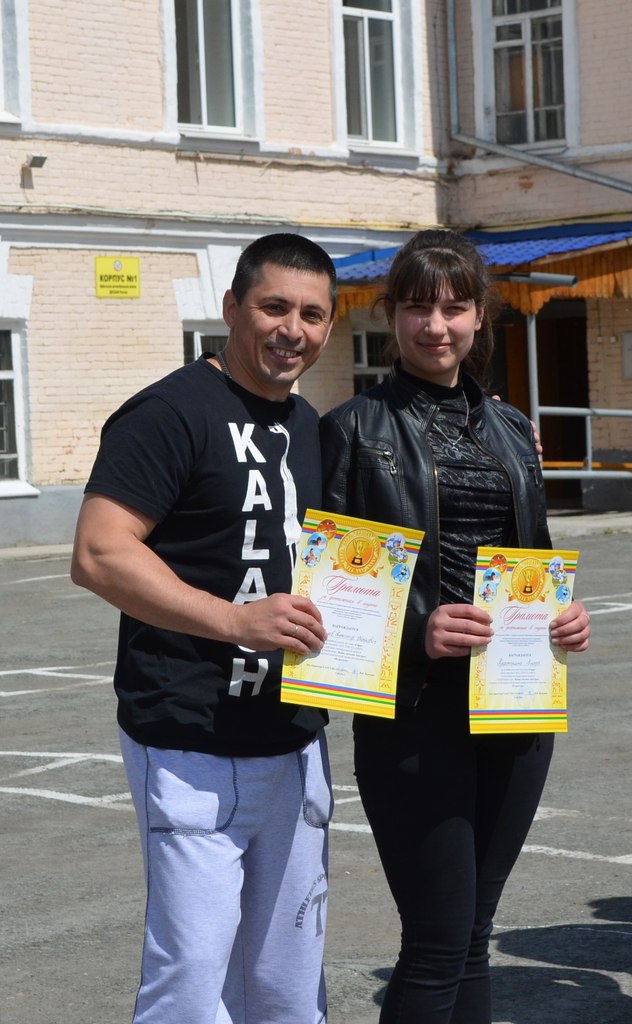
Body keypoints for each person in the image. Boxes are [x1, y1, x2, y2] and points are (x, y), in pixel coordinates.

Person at [319, 229, 591, 1024]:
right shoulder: (352, 429)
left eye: (453, 308)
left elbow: (532, 557)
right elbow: (330, 589)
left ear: (479, 316)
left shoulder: (510, 429)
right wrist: (418, 632)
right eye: (417, 308)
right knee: (437, 941)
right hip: (417, 713)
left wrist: (565, 617)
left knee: (473, 937)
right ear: (390, 316)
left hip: (514, 705)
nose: (435, 326)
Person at [71, 233, 337, 1024]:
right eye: (274, 307)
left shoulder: (309, 425)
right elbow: (99, 553)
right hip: (190, 739)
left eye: (313, 314)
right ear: (231, 308)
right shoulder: (170, 411)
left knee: (288, 987)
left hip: (294, 741)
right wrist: (233, 620)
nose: (293, 329)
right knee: (191, 988)